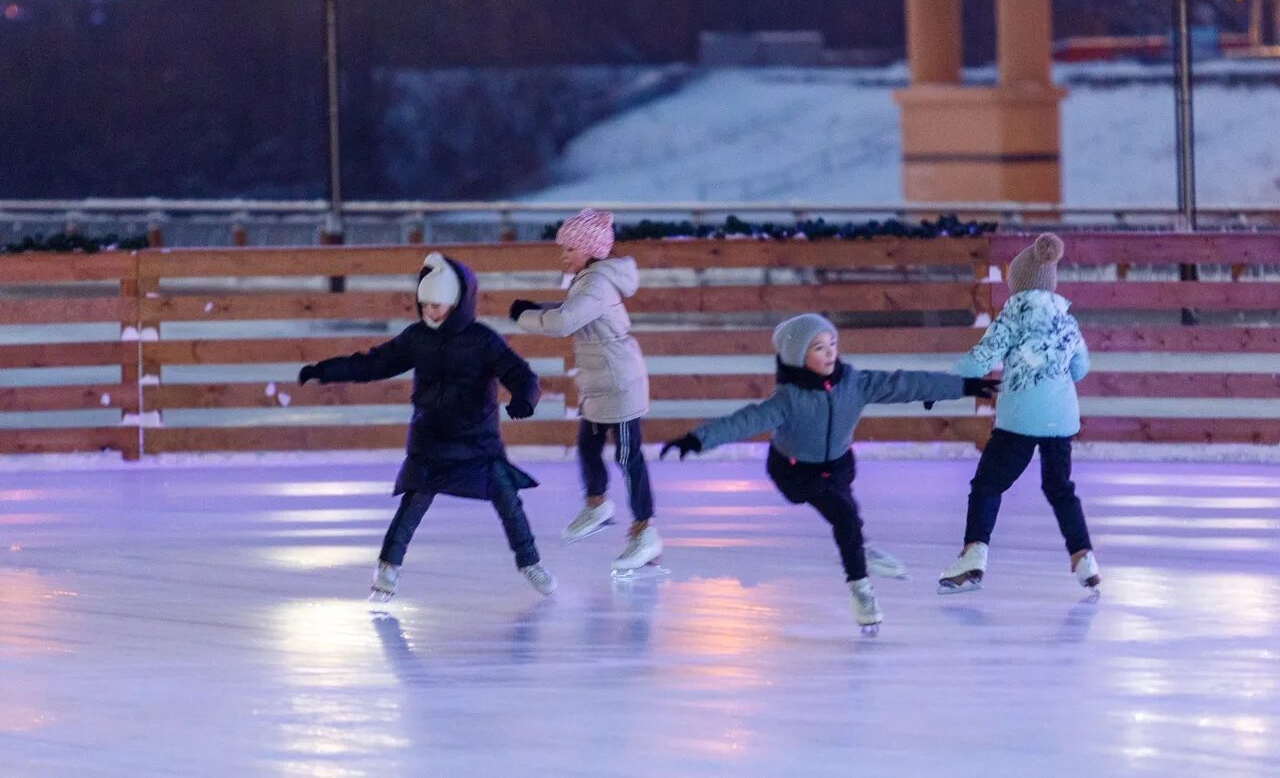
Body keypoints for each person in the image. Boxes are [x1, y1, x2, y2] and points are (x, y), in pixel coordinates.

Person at [661, 313, 999, 633]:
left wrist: (964, 387)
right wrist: (697, 439)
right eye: (819, 348)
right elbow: (746, 420)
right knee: (846, 518)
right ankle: (861, 588)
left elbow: (905, 383)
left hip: (837, 467)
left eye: (832, 344)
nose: (830, 353)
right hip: (796, 473)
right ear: (797, 356)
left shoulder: (854, 383)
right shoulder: (789, 399)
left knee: (847, 517)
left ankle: (858, 547)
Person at [299, 252, 556, 600]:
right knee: (413, 504)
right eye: (425, 305)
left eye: (437, 305)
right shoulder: (417, 338)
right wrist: (325, 370)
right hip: (431, 440)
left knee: (508, 500)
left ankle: (530, 563)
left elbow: (520, 373)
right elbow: (375, 363)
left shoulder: (483, 340)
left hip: (477, 441)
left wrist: (525, 399)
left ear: (455, 303)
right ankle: (388, 569)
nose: (430, 312)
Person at [937, 233, 1099, 595]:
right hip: (1060, 420)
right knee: (1060, 488)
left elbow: (982, 358)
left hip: (1020, 420)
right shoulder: (1066, 320)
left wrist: (944, 381)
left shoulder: (1012, 316)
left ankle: (974, 553)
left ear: (1018, 285)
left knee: (988, 485)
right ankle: (1083, 555)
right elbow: (1080, 369)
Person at [509, 208, 662, 578]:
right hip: (601, 383)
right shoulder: (587, 279)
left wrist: (524, 317)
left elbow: (563, 322)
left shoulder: (595, 283)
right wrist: (537, 308)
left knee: (628, 456)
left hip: (620, 384)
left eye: (569, 249)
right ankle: (597, 505)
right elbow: (568, 311)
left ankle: (645, 531)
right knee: (588, 446)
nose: (563, 256)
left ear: (590, 250)